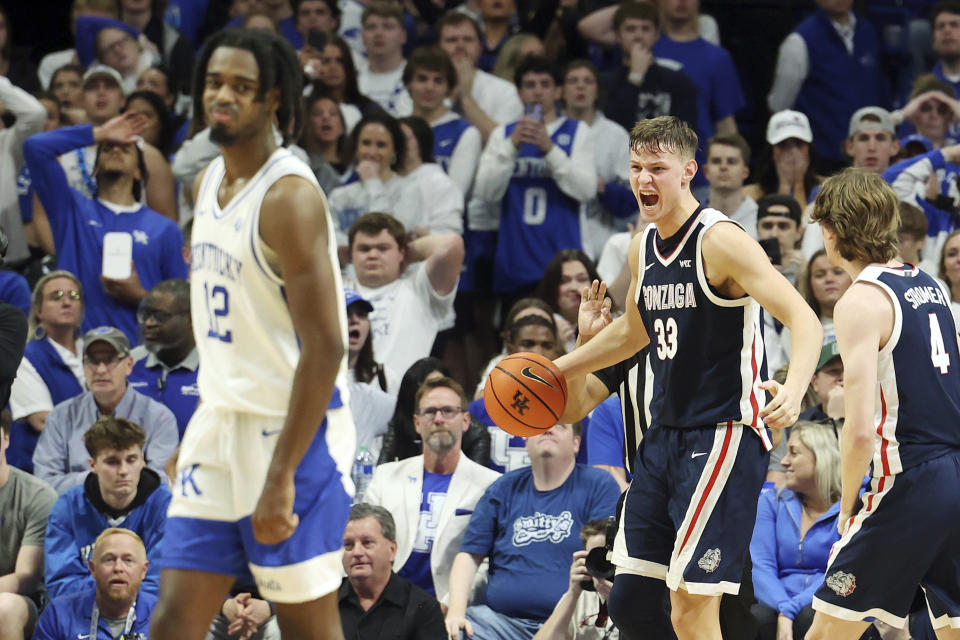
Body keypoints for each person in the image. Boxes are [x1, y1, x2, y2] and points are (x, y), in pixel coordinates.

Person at [554, 115, 823, 640]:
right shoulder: (640, 246)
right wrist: (558, 366)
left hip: (723, 433)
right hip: (665, 438)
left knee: (690, 608)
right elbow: (634, 332)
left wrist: (793, 390)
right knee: (630, 599)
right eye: (635, 168)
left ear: (688, 171)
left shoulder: (720, 239)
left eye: (657, 167)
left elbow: (805, 318)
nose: (643, 180)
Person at [150, 28, 355, 640]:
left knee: (306, 627)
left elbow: (326, 346)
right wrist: (206, 425)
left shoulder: (289, 197)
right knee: (173, 619)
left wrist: (281, 473)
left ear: (272, 99)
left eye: (242, 86)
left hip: (295, 432)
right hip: (222, 424)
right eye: (215, 82)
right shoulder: (206, 180)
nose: (224, 96)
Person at [805, 168, 960, 638]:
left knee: (827, 630)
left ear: (832, 232)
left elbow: (858, 431)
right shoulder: (931, 285)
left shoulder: (862, 299)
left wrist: (849, 507)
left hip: (909, 477)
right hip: (954, 471)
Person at [22, 108, 187, 342]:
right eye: (108, 147)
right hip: (78, 350)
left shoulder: (165, 229)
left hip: (139, 357)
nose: (116, 148)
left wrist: (139, 295)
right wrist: (99, 133)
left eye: (125, 148)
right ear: (95, 169)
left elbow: (182, 309)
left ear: (139, 172)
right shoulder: (70, 210)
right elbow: (35, 147)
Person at [444, 421, 621, 640]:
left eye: (560, 426)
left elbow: (604, 554)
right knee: (456, 631)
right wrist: (456, 612)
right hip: (500, 624)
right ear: (525, 441)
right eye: (539, 426)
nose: (547, 428)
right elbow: (469, 555)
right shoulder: (503, 488)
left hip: (574, 622)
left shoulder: (598, 485)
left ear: (576, 443)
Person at [364, 376, 500, 603]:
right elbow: (365, 541)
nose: (438, 419)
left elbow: (489, 562)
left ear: (465, 421)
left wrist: (453, 604)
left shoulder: (490, 485)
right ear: (417, 423)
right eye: (430, 412)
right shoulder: (385, 476)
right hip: (387, 601)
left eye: (448, 411)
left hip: (449, 604)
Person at [474, 55, 596, 299]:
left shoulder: (577, 131)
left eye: (545, 84)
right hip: (515, 259)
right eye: (530, 85)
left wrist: (549, 149)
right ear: (519, 93)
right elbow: (485, 193)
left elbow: (587, 190)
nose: (537, 92)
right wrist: (511, 147)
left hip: (564, 260)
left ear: (558, 91)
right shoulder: (504, 134)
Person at [33, 326, 179, 493]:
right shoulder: (61, 416)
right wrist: (102, 479)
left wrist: (96, 479)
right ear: (83, 365)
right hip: (77, 514)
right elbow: (44, 483)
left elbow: (159, 482)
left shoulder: (159, 417)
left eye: (110, 360)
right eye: (93, 361)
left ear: (129, 365)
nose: (101, 370)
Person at [44, 416, 171, 600]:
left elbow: (163, 583)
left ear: (143, 461)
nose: (123, 470)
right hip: (81, 615)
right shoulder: (67, 507)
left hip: (148, 616)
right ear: (93, 465)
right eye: (112, 462)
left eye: (131, 459)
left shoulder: (165, 506)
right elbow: (61, 584)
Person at [343, 212, 463, 392]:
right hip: (341, 402)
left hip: (399, 409)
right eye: (364, 249)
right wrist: (337, 254)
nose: (373, 254)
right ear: (351, 254)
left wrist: (408, 255)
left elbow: (452, 245)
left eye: (383, 248)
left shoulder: (420, 291)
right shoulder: (336, 288)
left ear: (401, 253)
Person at [768, 0, 888, 168]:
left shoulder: (869, 32)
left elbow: (879, 91)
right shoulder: (799, 41)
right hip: (822, 160)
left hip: (868, 157)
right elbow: (780, 105)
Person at [750, 422, 842, 640]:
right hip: (777, 600)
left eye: (794, 453)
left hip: (825, 600)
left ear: (821, 457)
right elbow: (761, 567)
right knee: (756, 618)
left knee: (811, 617)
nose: (784, 461)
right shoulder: (771, 502)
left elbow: (837, 574)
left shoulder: (849, 508)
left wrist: (791, 610)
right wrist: (784, 608)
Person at [8, 272, 86, 473]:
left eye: (74, 296)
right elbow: (43, 421)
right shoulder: (23, 357)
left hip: (90, 466)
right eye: (56, 296)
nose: (67, 302)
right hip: (42, 473)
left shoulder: (93, 352)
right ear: (38, 310)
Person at [561, 59, 636, 261]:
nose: (580, 86)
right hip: (554, 234)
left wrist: (602, 187)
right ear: (561, 90)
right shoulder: (549, 132)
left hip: (600, 238)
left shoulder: (615, 135)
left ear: (597, 90)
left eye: (588, 81)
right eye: (573, 81)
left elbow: (632, 201)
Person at [339, 503, 447, 639]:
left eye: (367, 543)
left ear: (392, 549)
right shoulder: (325, 604)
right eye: (348, 545)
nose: (357, 552)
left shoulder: (423, 608)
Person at [33, 528, 156, 640]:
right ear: (93, 569)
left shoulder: (165, 616)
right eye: (109, 559)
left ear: (144, 570)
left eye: (128, 560)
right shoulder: (58, 614)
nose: (118, 568)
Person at [598, 2, 699, 137]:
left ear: (657, 34)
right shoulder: (604, 83)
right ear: (618, 36)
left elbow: (687, 136)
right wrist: (635, 77)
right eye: (630, 29)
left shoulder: (678, 82)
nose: (638, 36)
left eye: (645, 29)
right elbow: (610, 130)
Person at [0, 414, 57, 640]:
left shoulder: (36, 495)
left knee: (4, 607)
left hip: (23, 600)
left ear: (6, 439)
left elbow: (27, 577)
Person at [379, 357, 490, 467]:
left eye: (442, 385)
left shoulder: (475, 434)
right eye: (429, 387)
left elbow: (477, 480)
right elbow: (382, 474)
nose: (437, 393)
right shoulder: (401, 423)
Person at [403, 45, 482, 197]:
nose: (429, 87)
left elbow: (456, 193)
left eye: (438, 81)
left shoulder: (465, 133)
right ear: (408, 83)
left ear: (448, 88)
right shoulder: (395, 128)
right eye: (422, 79)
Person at [436, 12, 524, 143]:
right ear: (438, 47)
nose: (460, 46)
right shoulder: (420, 86)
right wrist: (449, 100)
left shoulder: (506, 91)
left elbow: (504, 144)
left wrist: (466, 99)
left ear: (480, 47)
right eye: (452, 40)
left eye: (468, 39)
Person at [128, 279, 199, 439]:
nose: (148, 323)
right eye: (145, 315)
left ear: (190, 319)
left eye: (160, 316)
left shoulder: (214, 369)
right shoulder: (128, 364)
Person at [532, 519, 618, 640]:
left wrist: (621, 603)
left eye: (608, 556)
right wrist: (573, 593)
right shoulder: (580, 597)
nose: (604, 563)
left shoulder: (639, 594)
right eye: (597, 557)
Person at [344, 289, 394, 462]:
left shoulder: (384, 376)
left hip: (373, 477)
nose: (354, 320)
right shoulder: (320, 381)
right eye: (347, 314)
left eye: (361, 315)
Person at [397, 116, 465, 237]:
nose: (400, 144)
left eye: (406, 139)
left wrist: (415, 233)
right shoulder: (382, 179)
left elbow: (449, 236)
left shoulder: (440, 183)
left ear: (422, 142)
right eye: (397, 138)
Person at [745, 110, 822, 213]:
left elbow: (803, 227)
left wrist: (799, 185)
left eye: (799, 144)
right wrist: (784, 185)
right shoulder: (751, 194)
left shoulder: (827, 189)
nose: (792, 152)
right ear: (772, 152)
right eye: (783, 145)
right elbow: (780, 225)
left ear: (809, 150)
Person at [536, 249, 608, 353]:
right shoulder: (539, 323)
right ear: (552, 286)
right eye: (564, 281)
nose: (574, 287)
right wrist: (551, 344)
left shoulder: (611, 320)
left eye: (581, 279)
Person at [357, 2, 411, 117]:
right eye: (371, 27)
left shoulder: (416, 77)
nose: (379, 33)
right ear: (362, 36)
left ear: (403, 36)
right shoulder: (351, 79)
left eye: (388, 27)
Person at [703, 133, 757, 237]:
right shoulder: (692, 219)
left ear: (745, 172)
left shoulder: (760, 219)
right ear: (706, 171)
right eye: (716, 161)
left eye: (731, 162)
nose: (723, 167)